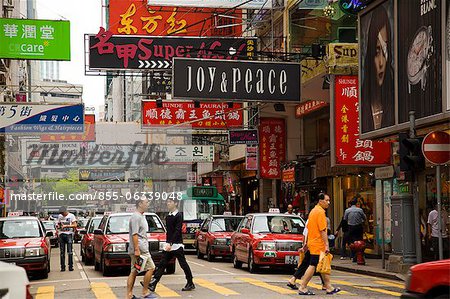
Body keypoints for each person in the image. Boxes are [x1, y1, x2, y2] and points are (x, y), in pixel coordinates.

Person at [297, 193, 341, 296]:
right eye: (327, 200)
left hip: (313, 242)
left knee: (322, 264)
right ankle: (302, 287)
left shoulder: (313, 211)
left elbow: (308, 229)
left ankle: (329, 287)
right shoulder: (320, 212)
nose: (328, 202)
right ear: (320, 201)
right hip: (318, 243)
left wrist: (306, 244)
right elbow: (322, 231)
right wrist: (326, 244)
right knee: (313, 265)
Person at [148, 198, 195, 292]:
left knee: (183, 264)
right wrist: (167, 243)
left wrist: (171, 243)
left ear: (176, 203)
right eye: (167, 202)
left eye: (170, 202)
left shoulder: (178, 215)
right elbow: (169, 232)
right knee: (162, 264)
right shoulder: (168, 216)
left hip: (177, 244)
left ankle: (190, 282)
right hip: (169, 244)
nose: (168, 204)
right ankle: (154, 282)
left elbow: (177, 231)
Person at [361, 3, 394, 132]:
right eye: (376, 52)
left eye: (384, 52)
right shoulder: (363, 103)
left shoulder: (398, 101)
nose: (381, 62)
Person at [127, 197, 156, 299]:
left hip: (141, 248)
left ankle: (129, 295)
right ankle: (145, 291)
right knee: (151, 268)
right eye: (146, 202)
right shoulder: (136, 217)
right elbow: (134, 234)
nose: (148, 204)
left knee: (134, 271)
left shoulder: (141, 216)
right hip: (140, 249)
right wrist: (136, 249)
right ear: (140, 204)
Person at [286, 217, 325, 290]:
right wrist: (305, 246)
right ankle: (325, 284)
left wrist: (305, 246)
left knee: (308, 264)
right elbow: (308, 234)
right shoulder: (314, 221)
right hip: (315, 246)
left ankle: (293, 279)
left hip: (312, 246)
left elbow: (305, 234)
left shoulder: (309, 221)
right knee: (318, 264)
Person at [344, 197, 366, 262]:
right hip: (359, 227)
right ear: (356, 204)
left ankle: (353, 256)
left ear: (350, 204)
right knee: (360, 242)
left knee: (352, 242)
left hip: (351, 227)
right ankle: (360, 256)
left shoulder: (347, 210)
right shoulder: (360, 210)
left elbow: (345, 219)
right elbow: (364, 218)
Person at [57, 206, 77, 272]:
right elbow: (59, 224)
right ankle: (62, 267)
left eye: (63, 213)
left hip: (69, 234)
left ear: (66, 211)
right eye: (61, 213)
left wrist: (67, 226)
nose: (62, 214)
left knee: (70, 252)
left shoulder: (71, 216)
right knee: (62, 252)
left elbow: (75, 225)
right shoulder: (60, 216)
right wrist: (58, 226)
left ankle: (70, 266)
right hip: (61, 234)